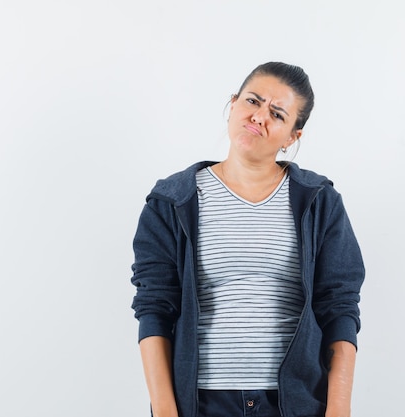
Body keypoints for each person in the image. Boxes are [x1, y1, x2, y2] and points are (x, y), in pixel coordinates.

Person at [130, 62, 365, 417]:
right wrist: (165, 411)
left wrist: (338, 409)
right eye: (253, 101)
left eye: (277, 113)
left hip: (294, 404)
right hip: (201, 404)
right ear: (233, 103)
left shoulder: (319, 202)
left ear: (291, 137)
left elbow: (340, 309)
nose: (259, 117)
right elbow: (154, 309)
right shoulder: (172, 201)